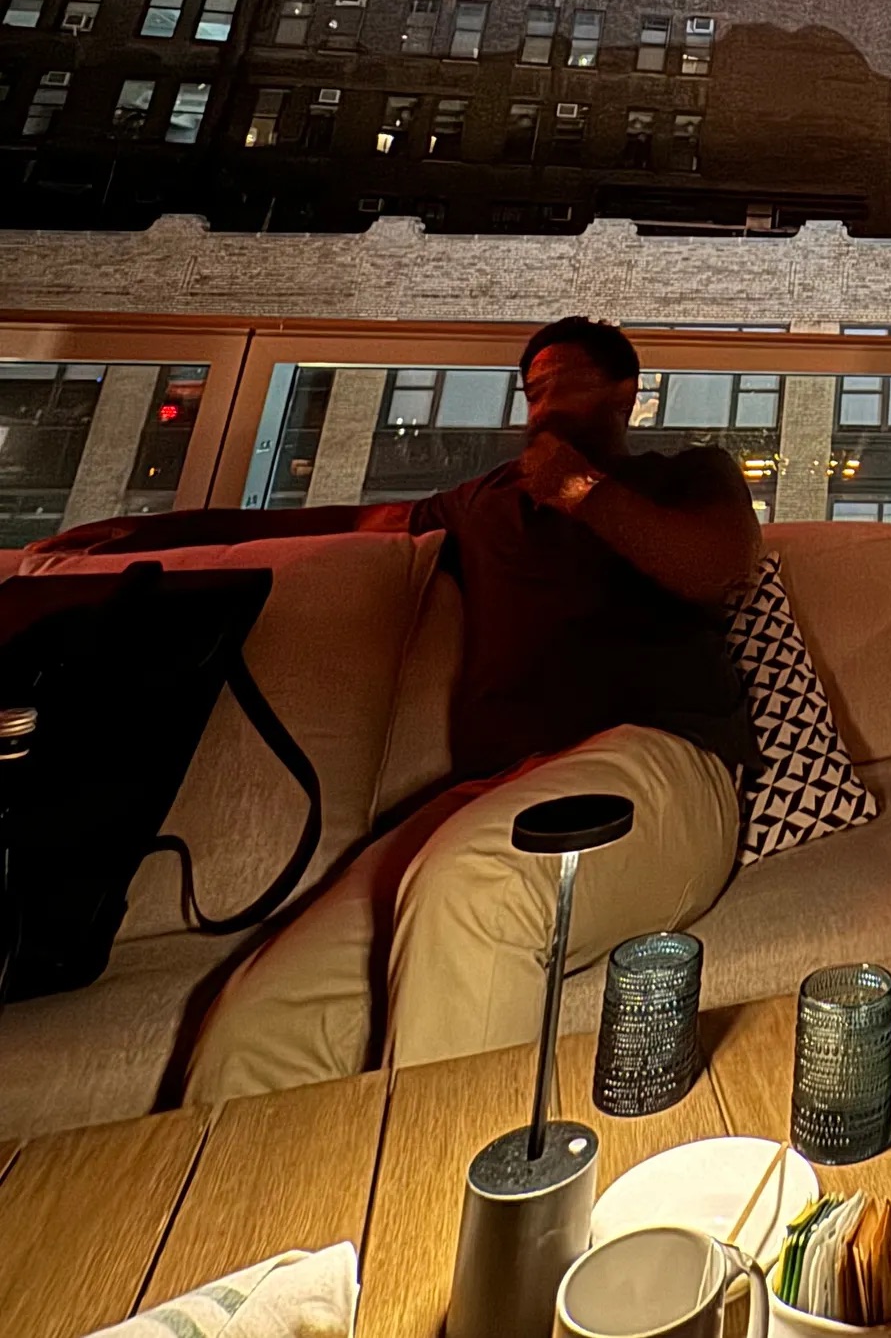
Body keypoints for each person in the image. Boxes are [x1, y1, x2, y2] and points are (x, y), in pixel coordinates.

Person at [54, 316, 762, 1097]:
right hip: (494, 788)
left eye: (559, 380)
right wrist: (148, 534)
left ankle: (439, 1209)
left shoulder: (686, 474)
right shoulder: (482, 501)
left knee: (476, 883)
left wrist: (577, 488)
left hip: (663, 761)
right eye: (531, 390)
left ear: (624, 392)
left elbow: (715, 565)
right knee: (258, 1017)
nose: (540, 403)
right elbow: (343, 523)